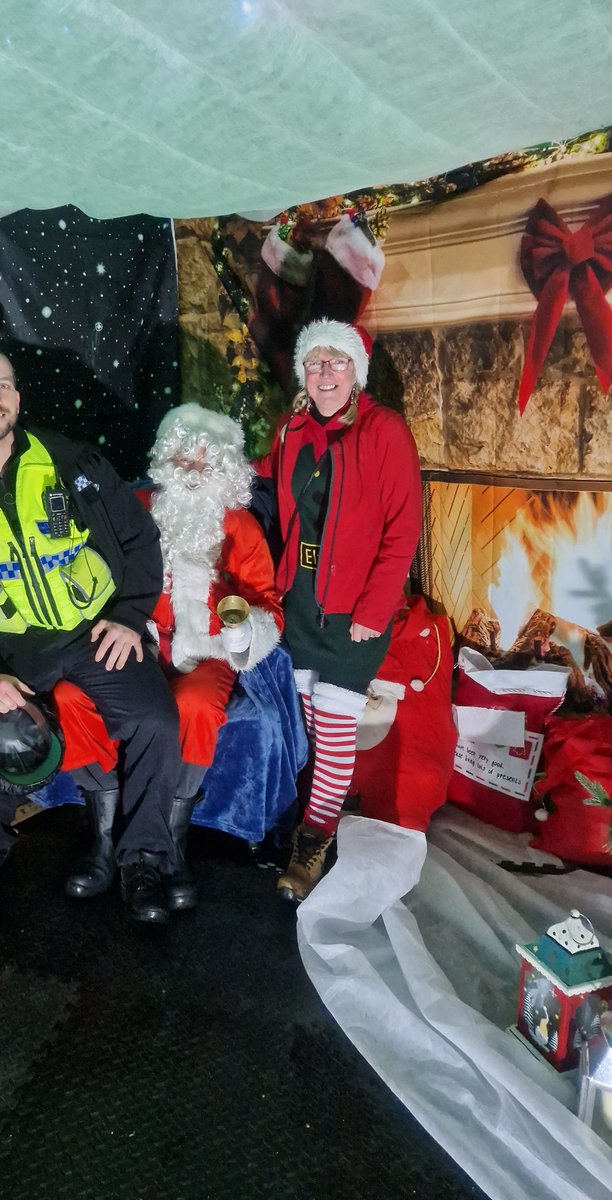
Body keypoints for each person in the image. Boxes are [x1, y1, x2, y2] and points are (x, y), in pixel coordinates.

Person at [0, 343, 182, 924]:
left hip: (93, 632)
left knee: (156, 719)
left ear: (19, 397)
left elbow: (138, 541)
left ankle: (144, 858)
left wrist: (128, 616)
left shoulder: (75, 463)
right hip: (7, 656)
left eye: (3, 385)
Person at [54, 402, 283, 909]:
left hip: (205, 652)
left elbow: (267, 605)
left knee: (196, 707)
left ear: (224, 470)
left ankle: (171, 843)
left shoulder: (239, 528)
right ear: (165, 460)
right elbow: (89, 569)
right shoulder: (134, 504)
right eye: (184, 459)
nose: (194, 472)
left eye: (206, 463)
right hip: (134, 642)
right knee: (72, 695)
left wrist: (241, 628)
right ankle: (104, 837)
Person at [254, 319, 422, 902]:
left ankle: (314, 843)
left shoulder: (384, 431)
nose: (325, 374)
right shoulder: (290, 428)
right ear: (304, 372)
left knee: (332, 725)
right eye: (315, 363)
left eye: (337, 363)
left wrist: (376, 608)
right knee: (302, 721)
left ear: (356, 372)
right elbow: (265, 489)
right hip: (300, 597)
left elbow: (404, 530)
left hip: (356, 607)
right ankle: (302, 815)